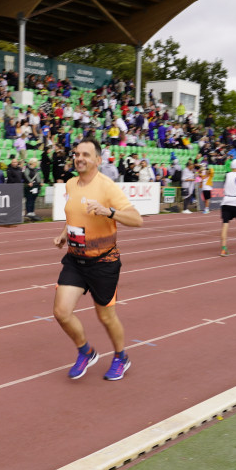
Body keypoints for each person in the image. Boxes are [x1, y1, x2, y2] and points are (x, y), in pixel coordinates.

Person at [53, 138, 143, 382]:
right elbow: (74, 214)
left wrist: (108, 212)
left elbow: (137, 220)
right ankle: (86, 351)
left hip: (103, 261)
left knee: (105, 317)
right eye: (77, 154)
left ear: (98, 160)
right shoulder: (71, 184)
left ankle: (121, 357)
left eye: (86, 154)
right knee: (61, 312)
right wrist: (64, 233)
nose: (80, 158)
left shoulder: (107, 187)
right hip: (75, 259)